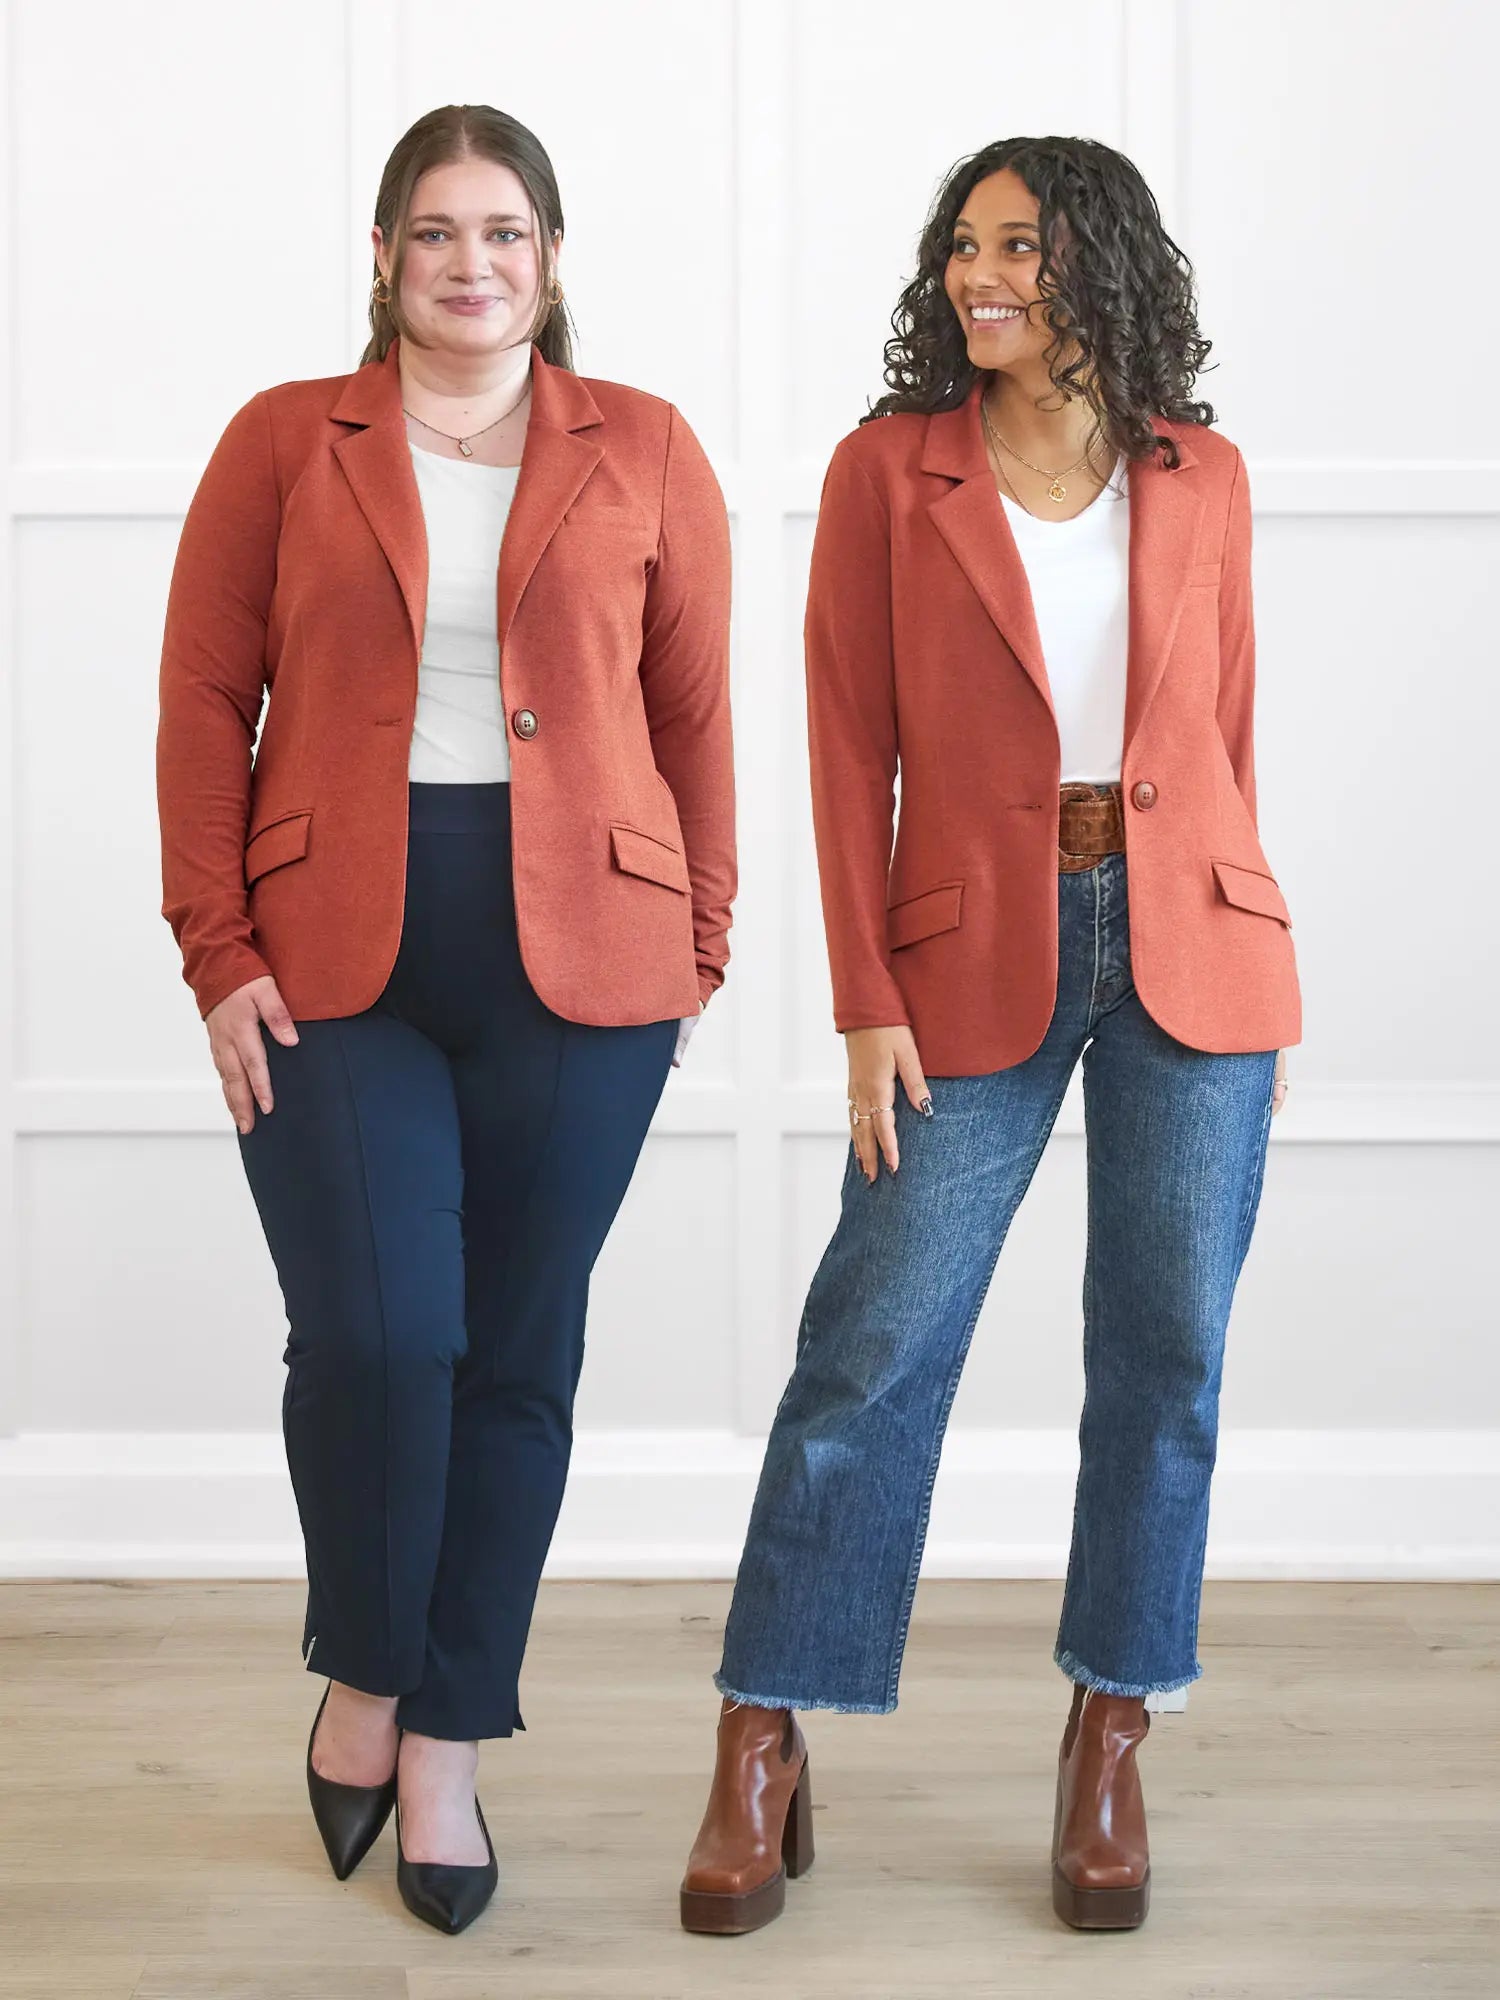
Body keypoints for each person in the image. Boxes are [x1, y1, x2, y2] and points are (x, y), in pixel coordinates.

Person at [679, 134, 1298, 1937]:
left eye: (1018, 244)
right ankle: (763, 1733)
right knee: (874, 1338)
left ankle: (1111, 1728)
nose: (980, 275)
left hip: (1200, 947)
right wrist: (864, 998)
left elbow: (1232, 737)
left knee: (1167, 1351)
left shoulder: (1209, 475)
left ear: (1099, 260)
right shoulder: (892, 473)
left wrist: (1238, 925)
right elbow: (840, 740)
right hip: (965, 954)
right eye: (963, 247)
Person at [155, 104, 734, 1936]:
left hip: (593, 966)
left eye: (501, 231)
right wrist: (214, 949)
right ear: (386, 261)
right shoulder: (283, 441)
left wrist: (700, 947)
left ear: (549, 258)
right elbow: (198, 703)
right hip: (335, 956)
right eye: (432, 233)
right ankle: (363, 1666)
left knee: (516, 1361)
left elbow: (699, 715)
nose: (468, 263)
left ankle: (448, 1736)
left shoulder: (641, 446)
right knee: (380, 1340)